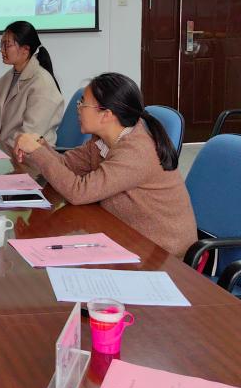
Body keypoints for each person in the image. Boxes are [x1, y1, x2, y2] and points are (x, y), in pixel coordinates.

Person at [14, 72, 197, 257]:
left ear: (106, 115)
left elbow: (79, 192)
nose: (78, 109)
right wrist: (39, 146)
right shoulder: (103, 141)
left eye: (83, 103)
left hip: (162, 254)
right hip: (125, 236)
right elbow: (66, 164)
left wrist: (37, 152)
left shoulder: (136, 152)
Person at [0, 20, 65, 153]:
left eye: (7, 45)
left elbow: (29, 135)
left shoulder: (42, 84)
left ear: (25, 49)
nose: (2, 50)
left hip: (31, 157)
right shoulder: (4, 80)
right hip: (5, 152)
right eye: (1, 44)